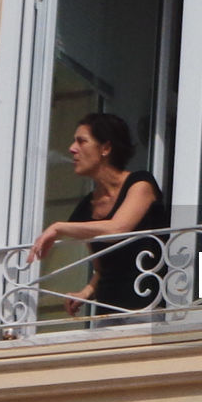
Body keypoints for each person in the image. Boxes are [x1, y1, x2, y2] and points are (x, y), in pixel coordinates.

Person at [28, 112, 168, 316]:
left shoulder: (140, 183)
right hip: (109, 309)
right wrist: (85, 292)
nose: (71, 148)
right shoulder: (86, 207)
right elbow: (102, 268)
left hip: (149, 306)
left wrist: (58, 228)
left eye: (81, 141)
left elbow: (118, 228)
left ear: (106, 148)